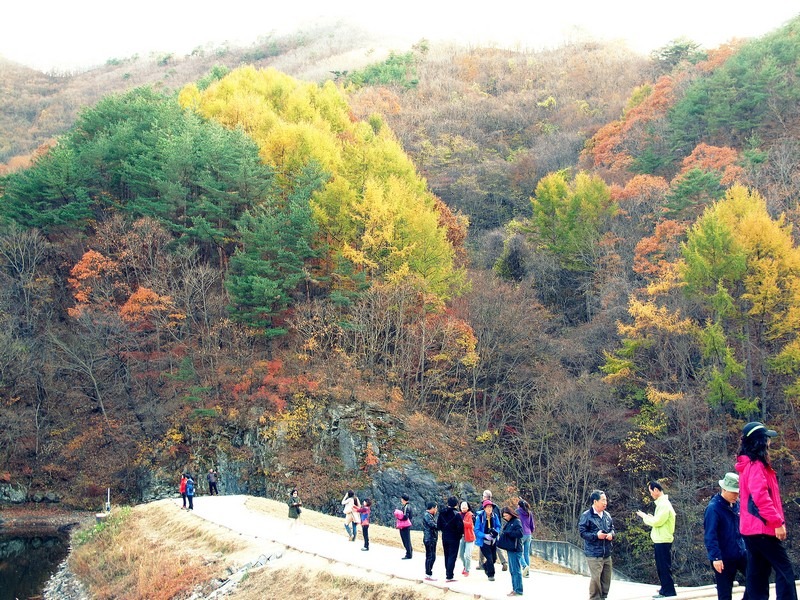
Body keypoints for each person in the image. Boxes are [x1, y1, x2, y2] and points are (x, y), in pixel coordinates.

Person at [736, 421, 798, 600]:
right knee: (784, 569)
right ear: (760, 441)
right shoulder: (756, 466)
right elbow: (760, 498)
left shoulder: (747, 465)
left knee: (758, 573)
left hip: (750, 528)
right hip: (762, 527)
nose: (770, 442)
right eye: (767, 439)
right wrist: (777, 523)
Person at [704, 472, 749, 600]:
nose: (736, 495)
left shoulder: (737, 504)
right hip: (723, 557)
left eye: (738, 492)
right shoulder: (713, 508)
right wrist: (716, 557)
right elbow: (710, 535)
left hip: (740, 552)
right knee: (725, 593)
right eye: (733, 492)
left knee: (756, 578)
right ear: (724, 489)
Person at [636, 481, 677, 598]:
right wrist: (651, 518)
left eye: (651, 491)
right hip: (661, 539)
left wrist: (645, 517)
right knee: (661, 566)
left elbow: (657, 522)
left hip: (663, 539)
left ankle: (668, 591)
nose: (651, 494)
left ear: (656, 490)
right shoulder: (662, 504)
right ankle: (665, 588)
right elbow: (659, 520)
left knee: (664, 567)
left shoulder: (664, 504)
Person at [578, 490, 615, 600]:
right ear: (595, 501)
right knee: (596, 578)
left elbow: (612, 529)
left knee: (606, 578)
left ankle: (603, 596)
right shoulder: (586, 516)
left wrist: (611, 535)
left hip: (607, 553)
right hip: (594, 553)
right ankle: (594, 598)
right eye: (603, 500)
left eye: (606, 500)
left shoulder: (607, 515)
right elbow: (582, 532)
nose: (605, 502)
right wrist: (596, 535)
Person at [498, 506, 524, 596]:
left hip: (516, 549)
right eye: (504, 516)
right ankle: (515, 589)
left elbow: (520, 533)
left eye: (506, 515)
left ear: (510, 514)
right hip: (511, 549)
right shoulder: (509, 523)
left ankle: (518, 590)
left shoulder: (516, 521)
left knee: (516, 570)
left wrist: (509, 533)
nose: (505, 517)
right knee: (512, 570)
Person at [437, 496, 464, 582]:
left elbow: (438, 525)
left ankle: (447, 573)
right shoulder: (457, 514)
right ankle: (449, 575)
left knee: (447, 555)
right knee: (452, 556)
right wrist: (459, 535)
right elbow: (460, 528)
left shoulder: (442, 513)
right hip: (454, 538)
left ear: (448, 503)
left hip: (445, 536)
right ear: (456, 504)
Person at [481, 490, 509, 571]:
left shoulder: (484, 506)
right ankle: (504, 562)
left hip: (488, 531)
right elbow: (499, 518)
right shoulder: (495, 506)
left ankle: (481, 563)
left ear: (486, 497)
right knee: (497, 546)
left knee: (483, 545)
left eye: (483, 496)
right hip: (495, 530)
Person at [475, 498, 501, 581]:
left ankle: (485, 566)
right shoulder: (480, 517)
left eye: (491, 507)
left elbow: (498, 526)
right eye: (488, 507)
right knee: (489, 558)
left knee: (494, 558)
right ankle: (491, 575)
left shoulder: (495, 516)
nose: (490, 509)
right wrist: (484, 535)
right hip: (484, 542)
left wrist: (495, 532)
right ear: (484, 508)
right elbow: (476, 530)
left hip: (493, 541)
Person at [517, 499, 535, 578]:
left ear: (519, 505)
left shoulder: (517, 512)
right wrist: (531, 531)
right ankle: (527, 572)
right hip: (528, 534)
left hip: (521, 534)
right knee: (526, 553)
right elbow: (532, 525)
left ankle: (524, 566)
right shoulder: (529, 513)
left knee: (518, 552)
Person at [459, 501, 476, 576]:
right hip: (461, 537)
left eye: (465, 505)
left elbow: (470, 525)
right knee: (461, 555)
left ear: (468, 507)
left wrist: (462, 522)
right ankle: (465, 566)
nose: (463, 507)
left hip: (469, 537)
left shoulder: (470, 515)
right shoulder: (458, 514)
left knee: (467, 555)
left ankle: (467, 569)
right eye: (462, 505)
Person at [423, 501, 439, 581]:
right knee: (430, 556)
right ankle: (428, 574)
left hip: (431, 539)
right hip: (429, 539)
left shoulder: (430, 516)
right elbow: (433, 525)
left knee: (432, 556)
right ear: (432, 508)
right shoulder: (427, 516)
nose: (436, 510)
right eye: (436, 508)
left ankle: (429, 573)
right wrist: (441, 525)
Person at [394, 493, 414, 559]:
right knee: (407, 539)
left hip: (405, 526)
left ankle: (408, 554)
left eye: (402, 499)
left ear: (403, 499)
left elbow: (405, 517)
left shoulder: (406, 507)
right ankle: (410, 552)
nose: (401, 500)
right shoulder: (408, 506)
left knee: (406, 540)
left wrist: (399, 517)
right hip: (407, 525)